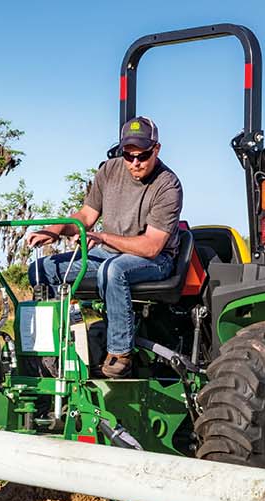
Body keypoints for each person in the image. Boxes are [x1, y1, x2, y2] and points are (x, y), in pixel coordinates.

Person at [26, 116, 183, 378]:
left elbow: (151, 247)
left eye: (142, 156)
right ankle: (51, 352)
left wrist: (102, 238)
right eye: (128, 155)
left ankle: (120, 354)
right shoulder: (109, 171)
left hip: (156, 261)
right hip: (109, 253)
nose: (135, 163)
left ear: (156, 149)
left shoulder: (168, 185)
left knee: (113, 270)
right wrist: (53, 230)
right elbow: (86, 216)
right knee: (43, 270)